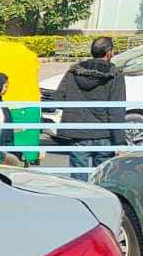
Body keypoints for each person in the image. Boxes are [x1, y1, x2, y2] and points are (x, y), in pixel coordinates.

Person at [50, 36, 126, 171]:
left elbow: (57, 99)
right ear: (109, 52)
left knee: (79, 180)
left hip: (78, 133)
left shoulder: (74, 71)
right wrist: (119, 141)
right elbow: (116, 111)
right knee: (101, 178)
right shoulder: (115, 75)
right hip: (104, 133)